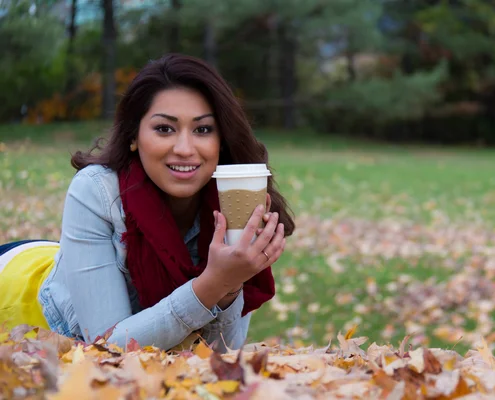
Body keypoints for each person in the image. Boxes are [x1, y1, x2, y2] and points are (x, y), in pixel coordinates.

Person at [0, 53, 295, 352]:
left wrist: (230, 286)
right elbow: (107, 350)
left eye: (203, 129)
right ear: (133, 136)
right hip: (15, 297)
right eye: (164, 129)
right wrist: (212, 284)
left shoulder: (233, 198)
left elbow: (219, 354)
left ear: (222, 139)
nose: (184, 149)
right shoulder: (95, 190)